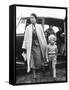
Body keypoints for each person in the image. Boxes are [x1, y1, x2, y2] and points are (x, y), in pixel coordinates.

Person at [22, 13, 48, 79]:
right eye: (30, 18)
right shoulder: (28, 28)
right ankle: (34, 75)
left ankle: (43, 70)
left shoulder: (39, 27)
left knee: (40, 60)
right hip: (31, 47)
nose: (31, 19)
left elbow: (43, 37)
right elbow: (25, 38)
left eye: (33, 17)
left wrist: (45, 45)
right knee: (32, 61)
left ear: (36, 19)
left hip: (39, 47)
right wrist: (24, 47)